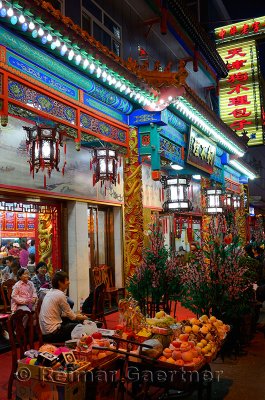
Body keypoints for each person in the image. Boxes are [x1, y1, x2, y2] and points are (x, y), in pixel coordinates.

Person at [39, 271, 88, 342]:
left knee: (72, 321)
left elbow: (63, 314)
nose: (69, 282)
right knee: (79, 326)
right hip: (52, 334)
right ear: (60, 282)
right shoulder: (60, 294)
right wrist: (83, 317)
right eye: (67, 280)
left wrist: (76, 315)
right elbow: (72, 317)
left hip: (45, 333)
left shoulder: (50, 292)